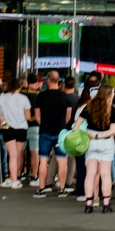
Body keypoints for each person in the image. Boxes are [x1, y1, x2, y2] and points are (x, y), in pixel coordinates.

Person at [74, 80, 115, 213]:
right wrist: (100, 136)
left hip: (90, 142)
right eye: (112, 93)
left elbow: (76, 126)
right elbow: (113, 130)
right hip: (106, 142)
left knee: (90, 174)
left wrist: (90, 135)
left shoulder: (88, 107)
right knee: (105, 175)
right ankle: (106, 205)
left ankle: (89, 205)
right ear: (107, 95)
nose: (113, 95)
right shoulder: (112, 110)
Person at [33, 70, 73, 198]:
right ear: (58, 80)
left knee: (43, 160)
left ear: (48, 81)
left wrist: (44, 124)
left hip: (45, 131)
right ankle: (62, 188)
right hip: (60, 132)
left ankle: (41, 188)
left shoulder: (41, 96)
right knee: (62, 161)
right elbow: (68, 117)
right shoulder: (65, 97)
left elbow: (37, 117)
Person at [0, 78, 31, 189]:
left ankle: (12, 178)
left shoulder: (3, 97)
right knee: (18, 154)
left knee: (12, 155)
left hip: (7, 126)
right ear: (20, 87)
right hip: (21, 127)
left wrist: (1, 118)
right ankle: (15, 178)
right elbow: (28, 116)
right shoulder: (24, 98)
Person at [23, 73, 42, 185]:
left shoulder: (20, 94)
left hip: (21, 126)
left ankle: (18, 175)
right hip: (35, 126)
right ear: (37, 83)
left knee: (20, 152)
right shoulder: (39, 95)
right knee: (35, 152)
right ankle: (34, 176)